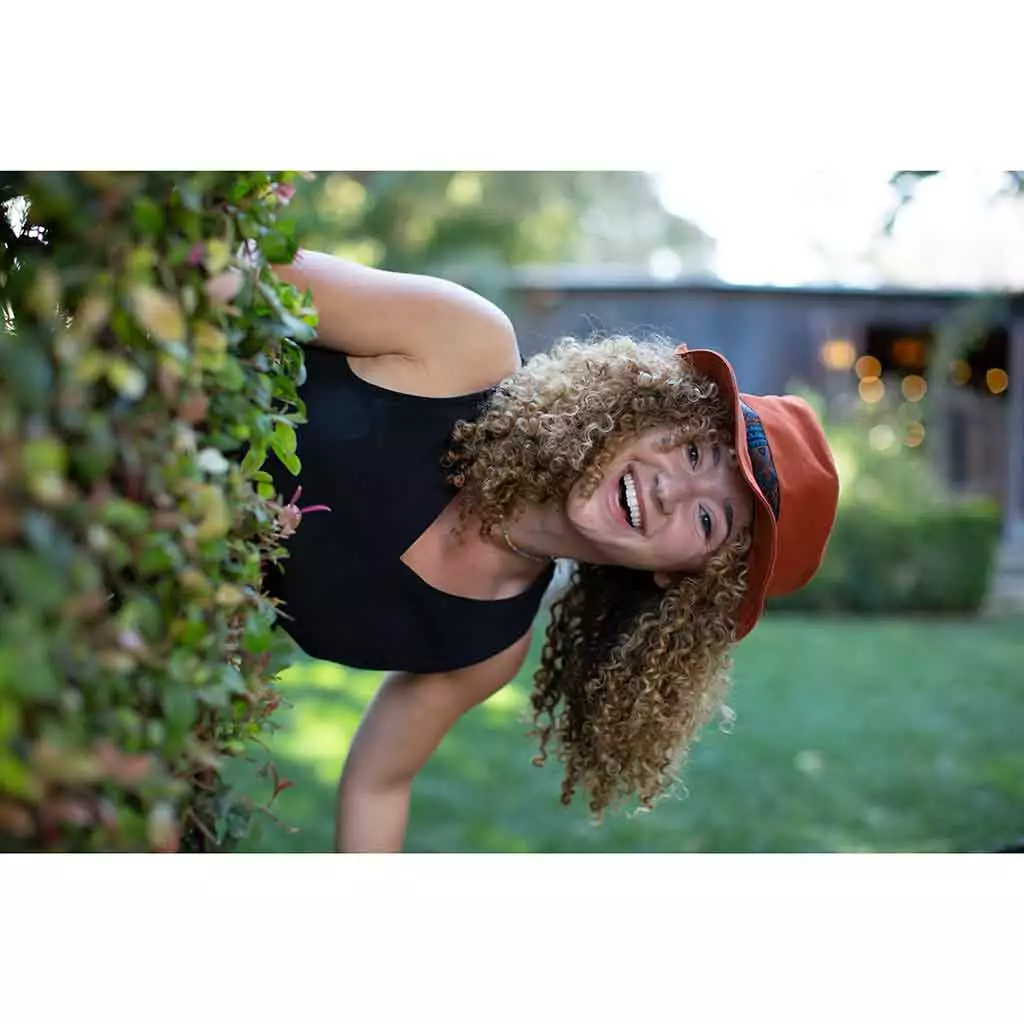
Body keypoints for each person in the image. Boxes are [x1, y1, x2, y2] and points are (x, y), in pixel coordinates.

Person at [264, 250, 840, 853]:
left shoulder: (487, 649)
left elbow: (379, 785)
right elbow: (242, 268)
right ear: (654, 411)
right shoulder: (463, 346)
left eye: (707, 520)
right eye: (695, 452)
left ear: (680, 577)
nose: (671, 489)